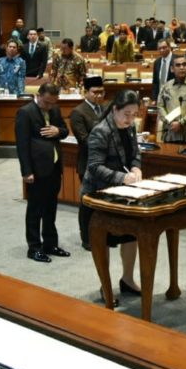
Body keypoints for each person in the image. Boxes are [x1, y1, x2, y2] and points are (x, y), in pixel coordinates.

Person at [81, 89, 145, 305]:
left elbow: (135, 154)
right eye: (126, 114)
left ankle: (127, 279)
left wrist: (136, 169)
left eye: (134, 114)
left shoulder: (130, 127)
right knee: (104, 242)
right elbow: (94, 167)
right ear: (115, 109)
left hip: (123, 193)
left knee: (130, 235)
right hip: (98, 195)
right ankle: (105, 286)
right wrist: (122, 177)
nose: (130, 119)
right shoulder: (101, 131)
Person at [16, 83, 70, 263]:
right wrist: (26, 171)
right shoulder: (25, 112)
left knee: (50, 208)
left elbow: (64, 131)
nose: (49, 106)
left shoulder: (54, 110)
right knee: (35, 209)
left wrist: (57, 131)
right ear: (38, 95)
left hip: (54, 167)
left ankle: (50, 244)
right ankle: (34, 247)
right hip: (37, 169)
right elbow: (22, 145)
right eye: (46, 102)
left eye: (52, 103)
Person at [70, 76, 106, 251]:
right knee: (87, 204)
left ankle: (103, 235)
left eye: (101, 92)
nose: (98, 96)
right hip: (88, 164)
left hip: (106, 165)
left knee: (104, 203)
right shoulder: (79, 112)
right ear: (86, 92)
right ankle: (86, 238)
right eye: (95, 92)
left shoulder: (105, 109)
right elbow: (84, 140)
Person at [158, 54, 186, 144]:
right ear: (172, 69)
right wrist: (169, 122)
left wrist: (181, 122)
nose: (182, 67)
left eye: (184, 64)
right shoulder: (166, 86)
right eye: (178, 65)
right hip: (170, 133)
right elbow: (160, 106)